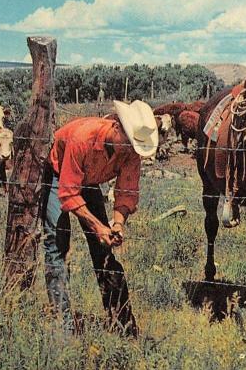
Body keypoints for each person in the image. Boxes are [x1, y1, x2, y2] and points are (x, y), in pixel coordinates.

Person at [42, 100, 158, 337]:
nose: (129, 150)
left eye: (134, 145)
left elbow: (126, 192)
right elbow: (68, 193)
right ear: (116, 126)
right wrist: (97, 226)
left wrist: (117, 225)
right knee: (56, 245)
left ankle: (122, 324)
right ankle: (62, 327)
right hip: (59, 175)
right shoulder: (82, 138)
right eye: (127, 142)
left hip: (90, 180)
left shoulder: (131, 152)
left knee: (103, 249)